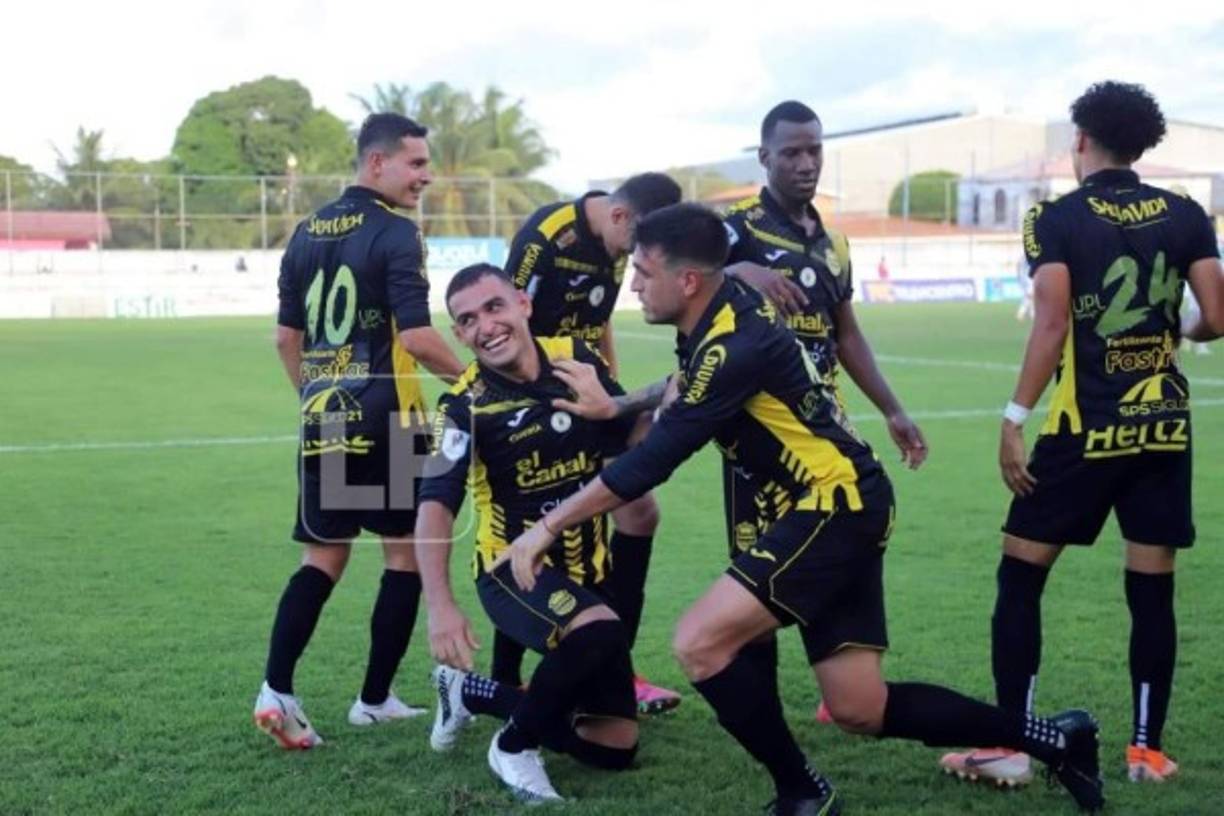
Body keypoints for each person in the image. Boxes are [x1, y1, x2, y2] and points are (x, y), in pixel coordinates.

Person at [500, 203, 1106, 815]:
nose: (632, 285)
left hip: (833, 507)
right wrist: (619, 405)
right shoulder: (721, 311)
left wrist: (546, 528)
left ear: (686, 280)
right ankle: (1058, 740)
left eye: (643, 272)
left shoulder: (731, 342)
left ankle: (802, 791)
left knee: (698, 643)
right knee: (860, 708)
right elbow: (685, 381)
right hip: (848, 503)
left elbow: (649, 463)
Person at [940, 81, 1224, 787]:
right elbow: (1216, 315)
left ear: (1081, 140)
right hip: (1161, 425)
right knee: (1152, 587)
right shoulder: (1187, 213)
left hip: (1083, 427)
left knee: (1021, 576)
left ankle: (1012, 745)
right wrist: (1180, 334)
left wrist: (1012, 419)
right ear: (1141, 143)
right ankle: (1146, 752)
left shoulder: (1055, 217)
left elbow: (1053, 322)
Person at [253, 113, 467, 749]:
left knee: (323, 556)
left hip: (329, 414)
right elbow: (420, 337)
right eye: (417, 163)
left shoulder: (304, 231)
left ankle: (277, 689)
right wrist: (481, 381)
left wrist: (317, 398)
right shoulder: (397, 233)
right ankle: (372, 700)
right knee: (405, 552)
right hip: (394, 417)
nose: (426, 176)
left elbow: (286, 339)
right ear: (377, 164)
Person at [721, 101, 927, 723]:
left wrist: (892, 410)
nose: (806, 163)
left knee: (844, 552)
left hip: (827, 428)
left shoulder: (834, 243)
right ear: (764, 156)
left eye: (814, 149)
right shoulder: (735, 229)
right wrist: (740, 270)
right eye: (791, 152)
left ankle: (842, 689)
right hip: (759, 433)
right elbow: (683, 275)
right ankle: (762, 711)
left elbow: (847, 335)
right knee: (755, 564)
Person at [415, 264, 644, 802]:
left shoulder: (578, 359)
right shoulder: (462, 407)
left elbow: (625, 431)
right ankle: (514, 746)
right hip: (512, 573)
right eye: (467, 320)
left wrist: (666, 400)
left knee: (615, 747)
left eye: (494, 307)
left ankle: (475, 694)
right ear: (459, 336)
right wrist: (440, 605)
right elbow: (432, 508)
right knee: (599, 631)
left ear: (523, 304)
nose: (486, 326)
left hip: (590, 571)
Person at [502, 172, 684, 713]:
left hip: (591, 388)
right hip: (539, 397)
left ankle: (615, 670)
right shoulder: (548, 235)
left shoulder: (623, 241)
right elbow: (503, 318)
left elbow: (599, 322)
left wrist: (610, 389)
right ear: (621, 218)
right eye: (641, 246)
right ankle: (508, 684)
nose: (642, 259)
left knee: (638, 514)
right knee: (535, 530)